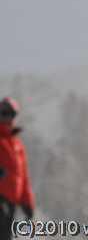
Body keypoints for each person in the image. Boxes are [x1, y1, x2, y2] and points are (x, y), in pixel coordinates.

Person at [0, 97, 34, 239]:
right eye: (4, 114)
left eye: (11, 114)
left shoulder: (18, 146)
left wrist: (27, 204)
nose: (8, 118)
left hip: (12, 203)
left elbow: (23, 177)